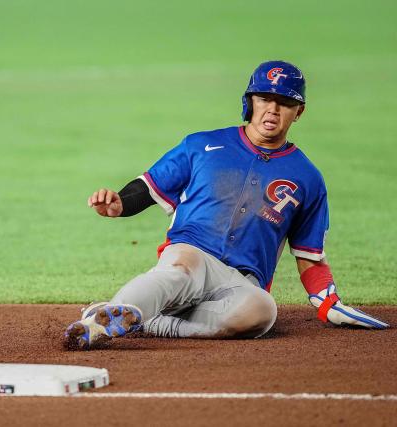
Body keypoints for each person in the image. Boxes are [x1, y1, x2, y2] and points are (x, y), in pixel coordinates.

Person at [64, 60, 389, 350]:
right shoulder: (202, 145)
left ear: (298, 112)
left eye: (285, 102)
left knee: (262, 312)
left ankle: (156, 324)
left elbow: (309, 254)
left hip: (241, 281)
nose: (272, 110)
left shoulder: (308, 177)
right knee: (178, 271)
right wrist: (120, 203)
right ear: (249, 102)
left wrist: (329, 304)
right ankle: (104, 320)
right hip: (193, 255)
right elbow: (149, 187)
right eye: (264, 99)